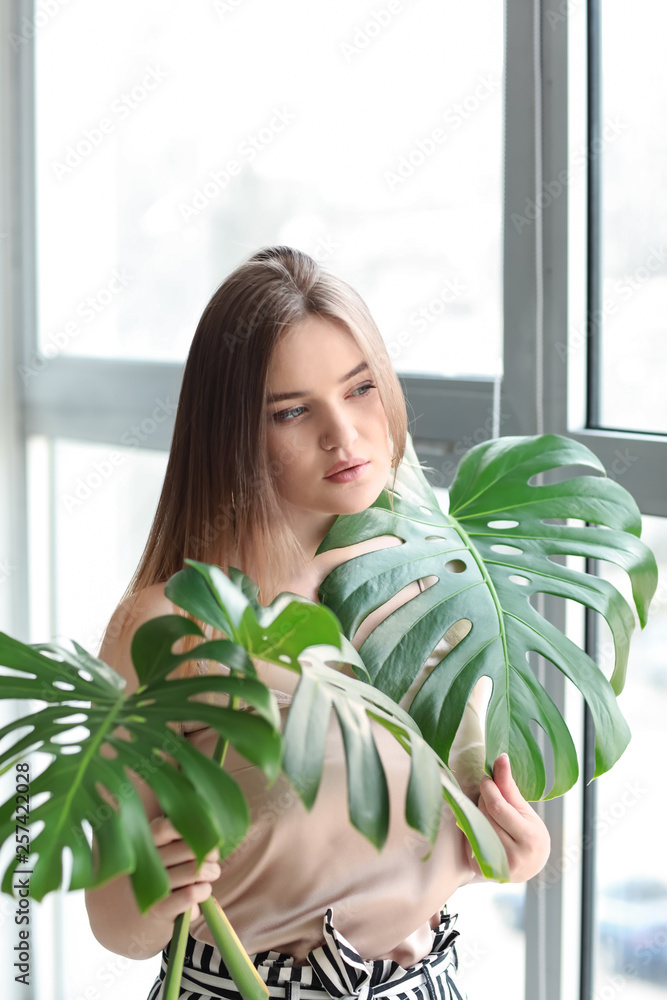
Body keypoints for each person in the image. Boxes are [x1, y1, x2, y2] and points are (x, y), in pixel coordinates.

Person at [84, 246, 550, 1000]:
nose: (345, 434)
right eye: (293, 411)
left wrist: (514, 852)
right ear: (232, 431)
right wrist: (151, 889)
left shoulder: (425, 590)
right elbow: (120, 929)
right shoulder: (171, 624)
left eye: (360, 389)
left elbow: (424, 849)